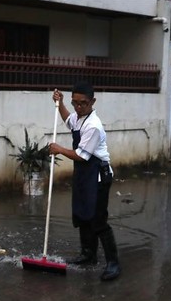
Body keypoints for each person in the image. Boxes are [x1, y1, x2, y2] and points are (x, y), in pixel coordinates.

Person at [48, 82, 120, 281]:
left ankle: (113, 263)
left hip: (98, 175)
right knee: (82, 215)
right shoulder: (79, 118)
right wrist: (60, 103)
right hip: (83, 174)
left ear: (92, 102)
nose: (78, 107)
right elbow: (68, 120)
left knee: (98, 220)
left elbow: (82, 155)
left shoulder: (93, 125)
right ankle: (88, 255)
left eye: (83, 104)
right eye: (75, 103)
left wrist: (59, 149)